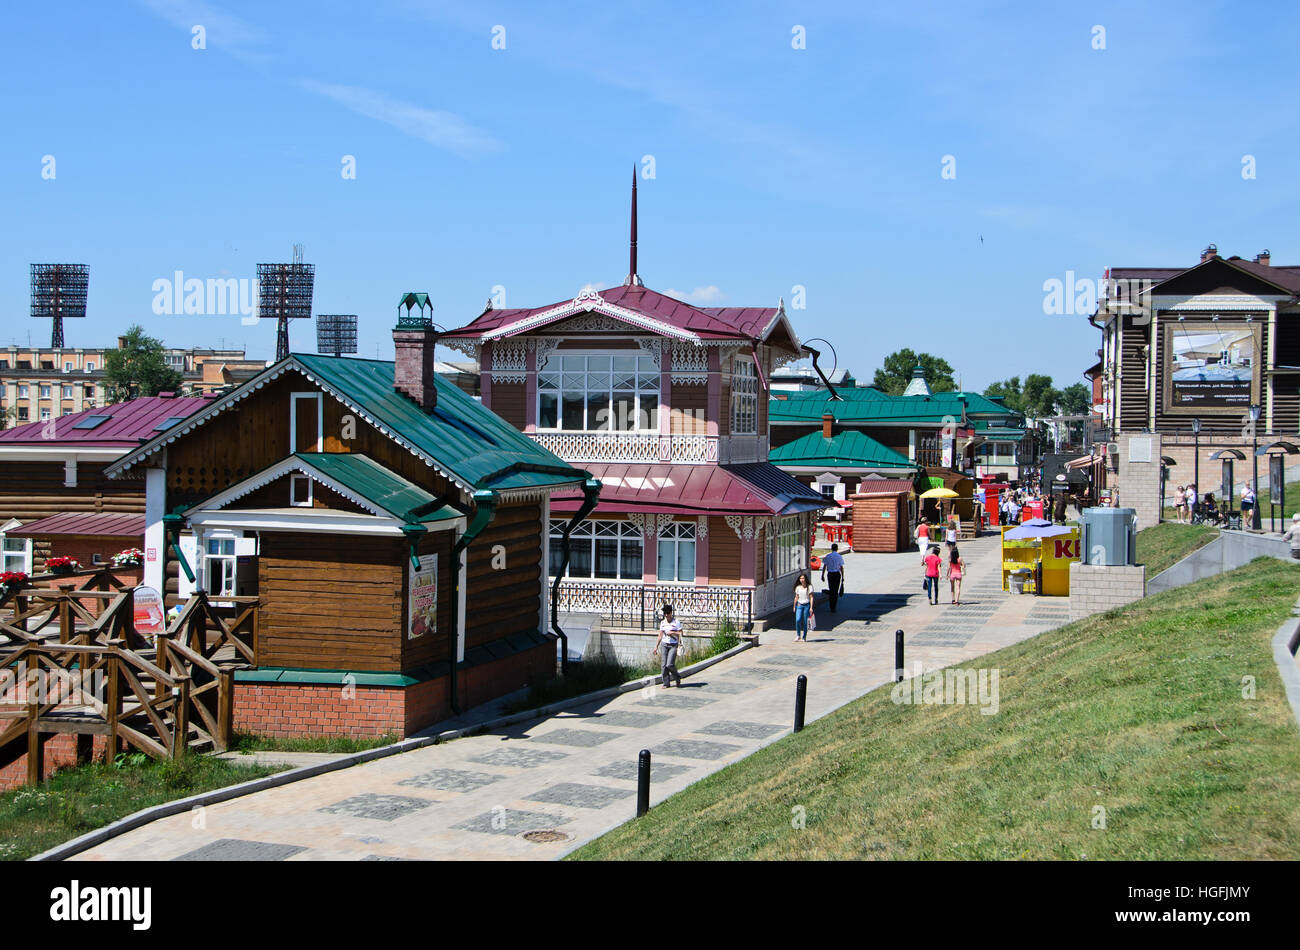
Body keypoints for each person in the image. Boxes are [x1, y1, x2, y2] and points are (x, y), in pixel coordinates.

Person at [651, 604, 684, 687]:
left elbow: (681, 633)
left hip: (673, 645)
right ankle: (666, 683)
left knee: (669, 664)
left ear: (671, 613)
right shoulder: (663, 623)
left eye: (668, 613)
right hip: (664, 644)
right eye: (665, 613)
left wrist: (673, 632)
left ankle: (677, 677)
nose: (666, 615)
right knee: (663, 665)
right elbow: (660, 635)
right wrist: (656, 647)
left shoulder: (676, 622)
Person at [821, 543, 845, 612]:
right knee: (835, 590)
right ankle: (834, 606)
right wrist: (843, 576)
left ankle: (831, 605)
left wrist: (822, 575)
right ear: (837, 549)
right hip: (837, 574)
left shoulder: (828, 556)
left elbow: (824, 566)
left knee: (831, 589)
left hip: (830, 574)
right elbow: (841, 567)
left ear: (831, 548)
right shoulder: (839, 556)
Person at [792, 573, 815, 641]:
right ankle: (798, 635)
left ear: (805, 579)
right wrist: (794, 606)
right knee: (798, 620)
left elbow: (811, 597)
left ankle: (804, 636)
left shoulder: (809, 587)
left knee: (805, 621)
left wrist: (811, 607)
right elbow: (796, 597)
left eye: (803, 578)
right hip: (799, 605)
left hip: (806, 605)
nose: (802, 580)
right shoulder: (798, 587)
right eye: (801, 578)